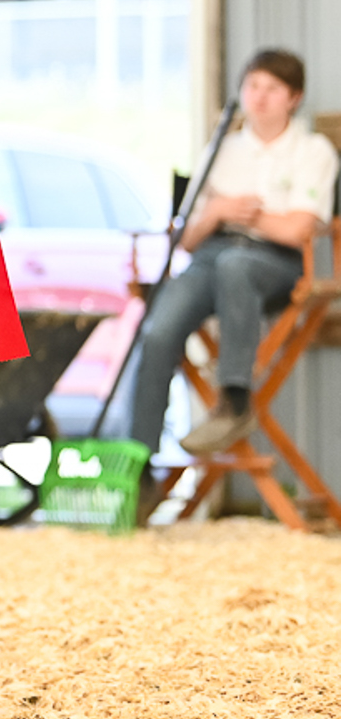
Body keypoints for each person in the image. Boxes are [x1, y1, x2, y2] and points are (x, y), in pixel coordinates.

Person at [128, 49, 337, 469]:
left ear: (294, 97)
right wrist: (217, 212)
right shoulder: (220, 149)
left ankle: (235, 400)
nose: (259, 97)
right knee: (158, 332)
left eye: (272, 88)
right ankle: (139, 460)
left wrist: (247, 216)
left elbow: (297, 230)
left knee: (235, 266)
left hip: (275, 263)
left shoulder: (313, 150)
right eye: (252, 86)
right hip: (211, 255)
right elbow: (187, 239)